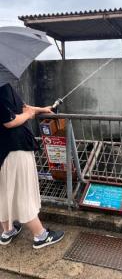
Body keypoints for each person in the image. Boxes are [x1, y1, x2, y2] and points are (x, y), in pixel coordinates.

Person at [0, 82, 64, 249]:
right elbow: (9, 121)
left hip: (3, 151)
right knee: (23, 191)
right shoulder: (2, 88)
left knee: (3, 192)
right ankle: (40, 235)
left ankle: (7, 231)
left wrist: (42, 109)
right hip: (14, 148)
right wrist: (29, 115)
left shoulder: (3, 87)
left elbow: (23, 107)